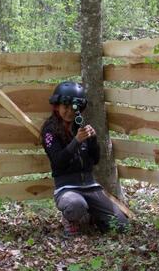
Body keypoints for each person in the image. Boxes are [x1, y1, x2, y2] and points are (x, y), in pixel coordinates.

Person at [40, 82, 129, 237]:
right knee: (75, 204)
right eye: (64, 107)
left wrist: (93, 140)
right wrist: (76, 141)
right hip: (67, 189)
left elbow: (95, 160)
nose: (68, 112)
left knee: (121, 225)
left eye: (72, 108)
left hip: (90, 186)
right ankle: (70, 219)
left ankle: (95, 217)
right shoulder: (49, 130)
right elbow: (58, 162)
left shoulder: (80, 125)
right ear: (56, 106)